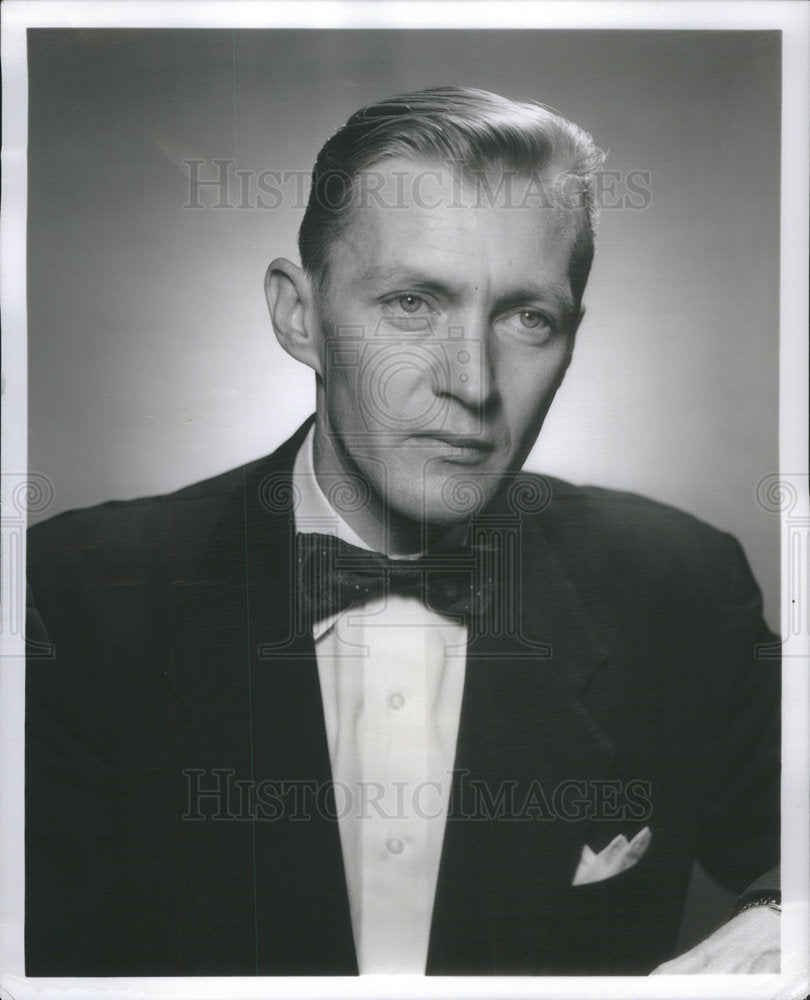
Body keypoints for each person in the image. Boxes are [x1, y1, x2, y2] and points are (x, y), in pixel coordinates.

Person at [25, 87, 780, 977]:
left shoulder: (682, 589)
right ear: (299, 316)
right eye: (413, 303)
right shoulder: (69, 598)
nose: (472, 380)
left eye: (526, 317)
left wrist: (775, 935)